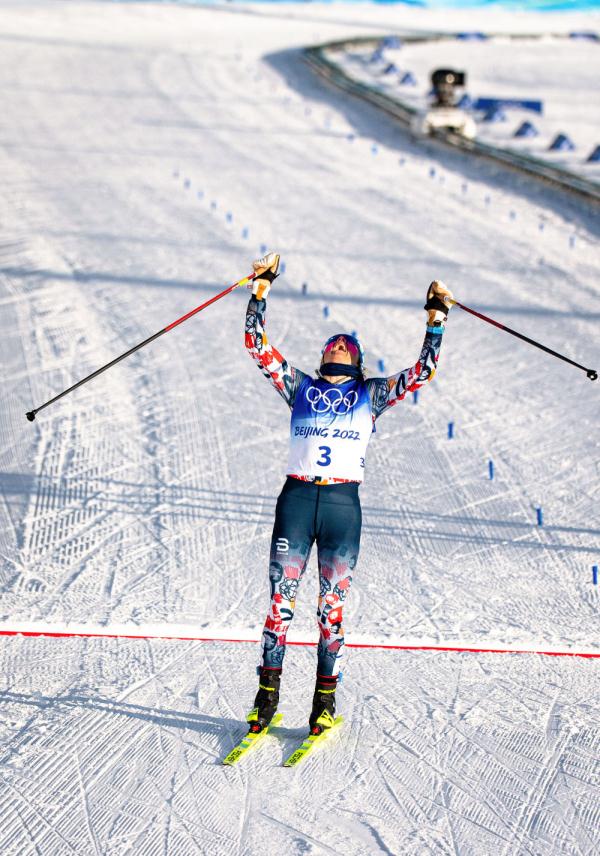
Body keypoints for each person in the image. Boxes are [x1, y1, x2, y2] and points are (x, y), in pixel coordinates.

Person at [244, 252, 452, 736]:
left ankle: (323, 704)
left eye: (345, 345)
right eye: (332, 344)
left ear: (356, 361)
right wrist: (261, 288)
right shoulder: (298, 387)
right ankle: (266, 697)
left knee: (330, 611)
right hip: (296, 502)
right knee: (280, 604)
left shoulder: (371, 395)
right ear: (323, 357)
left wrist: (436, 318)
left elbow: (421, 373)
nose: (337, 346)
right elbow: (257, 347)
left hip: (341, 507)